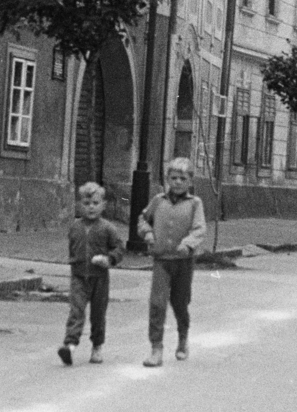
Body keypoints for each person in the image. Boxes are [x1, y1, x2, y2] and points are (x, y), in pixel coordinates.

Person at [138, 157, 207, 368]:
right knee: (157, 304)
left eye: (182, 178)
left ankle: (183, 338)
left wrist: (188, 243)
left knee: (180, 303)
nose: (177, 182)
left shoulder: (195, 204)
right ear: (167, 179)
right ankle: (156, 348)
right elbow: (143, 219)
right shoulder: (158, 201)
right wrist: (148, 233)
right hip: (161, 260)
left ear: (190, 182)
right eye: (174, 178)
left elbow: (199, 229)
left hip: (183, 262)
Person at [58, 182, 124, 366]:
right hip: (79, 276)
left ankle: (97, 346)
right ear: (80, 205)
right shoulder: (75, 227)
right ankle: (69, 346)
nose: (91, 207)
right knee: (76, 311)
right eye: (86, 203)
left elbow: (119, 248)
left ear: (103, 205)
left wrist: (109, 259)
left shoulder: (107, 228)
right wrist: (74, 261)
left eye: (95, 203)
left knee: (98, 314)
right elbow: (73, 247)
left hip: (100, 278)